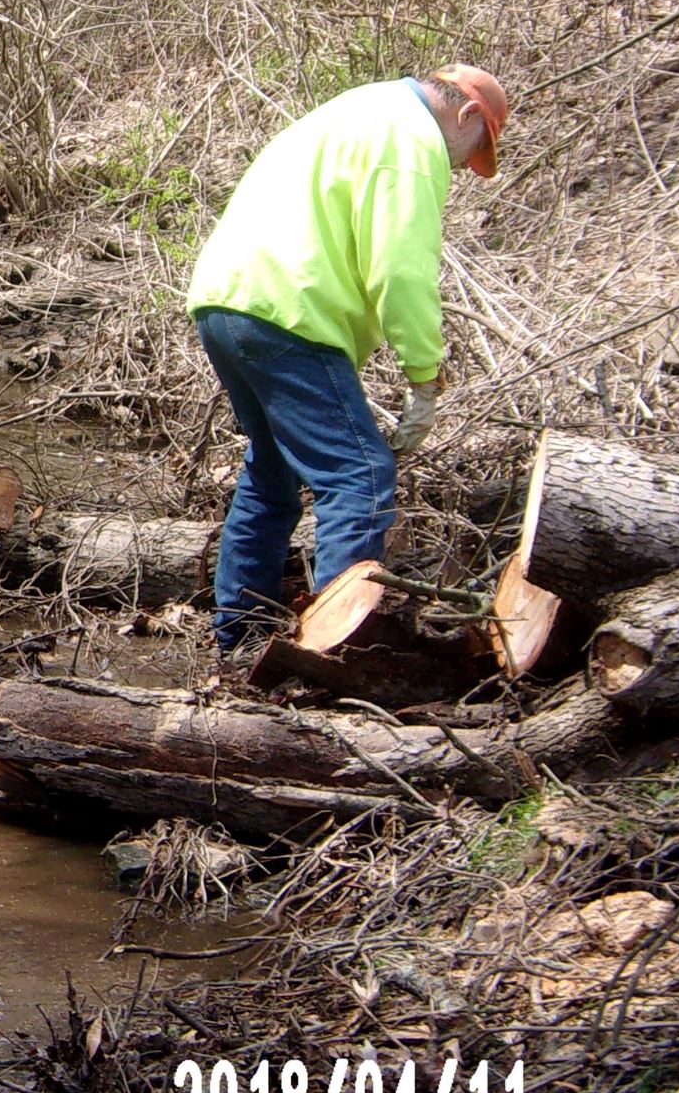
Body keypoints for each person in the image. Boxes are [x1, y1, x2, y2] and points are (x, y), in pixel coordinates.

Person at [185, 64, 510, 656]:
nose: (466, 165)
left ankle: (241, 640)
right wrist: (424, 374)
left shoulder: (361, 107)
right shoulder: (412, 141)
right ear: (465, 115)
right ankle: (337, 653)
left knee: (272, 473)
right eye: (476, 148)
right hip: (289, 310)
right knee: (359, 475)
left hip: (225, 299)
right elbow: (400, 268)